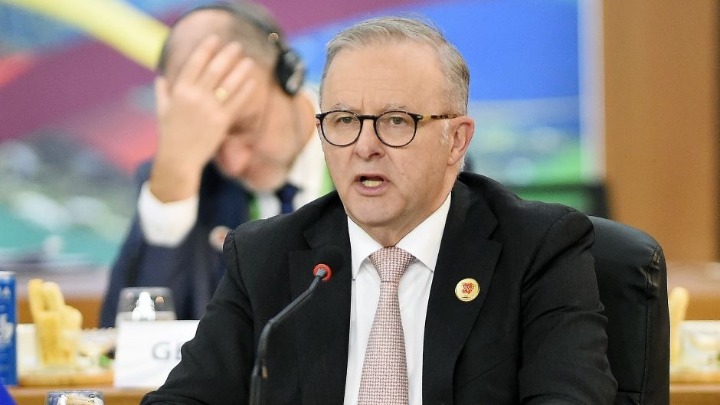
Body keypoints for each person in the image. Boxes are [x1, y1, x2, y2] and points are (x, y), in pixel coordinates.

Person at [141, 16, 617, 405]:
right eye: (344, 120)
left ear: (456, 141)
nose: (364, 146)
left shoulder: (538, 249)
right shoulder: (263, 255)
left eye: (395, 121)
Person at [99, 1, 330, 327]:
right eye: (211, 141)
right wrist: (174, 181)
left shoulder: (364, 152)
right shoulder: (188, 174)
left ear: (289, 76)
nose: (232, 164)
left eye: (246, 128)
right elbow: (125, 344)